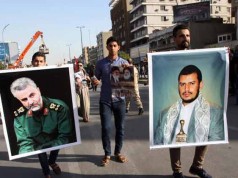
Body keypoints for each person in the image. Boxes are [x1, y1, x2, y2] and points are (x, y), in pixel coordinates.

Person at [160, 24, 214, 178]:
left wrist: (224, 56)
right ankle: (177, 171)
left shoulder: (198, 56)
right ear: (175, 39)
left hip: (196, 103)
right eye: (182, 36)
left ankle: (197, 166)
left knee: (204, 132)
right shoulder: (167, 58)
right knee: (176, 135)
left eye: (188, 35)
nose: (186, 38)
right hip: (176, 102)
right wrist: (151, 62)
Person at [10, 77, 74, 178]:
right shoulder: (19, 117)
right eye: (24, 99)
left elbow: (65, 136)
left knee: (54, 147)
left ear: (38, 91)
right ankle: (46, 173)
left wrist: (48, 145)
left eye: (32, 95)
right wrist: (32, 150)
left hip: (55, 140)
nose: (30, 102)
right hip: (38, 145)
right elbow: (24, 144)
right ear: (19, 101)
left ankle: (52, 162)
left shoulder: (60, 107)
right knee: (40, 150)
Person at [154, 64, 224, 144]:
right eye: (182, 84)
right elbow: (157, 143)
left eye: (191, 83)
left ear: (200, 85)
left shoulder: (215, 113)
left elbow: (215, 146)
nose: (186, 89)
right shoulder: (165, 114)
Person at [93, 36, 129, 166]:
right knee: (106, 128)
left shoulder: (124, 62)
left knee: (120, 128)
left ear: (118, 47)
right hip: (105, 101)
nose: (113, 48)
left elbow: (129, 81)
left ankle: (118, 152)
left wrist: (128, 69)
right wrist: (95, 81)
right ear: (107, 47)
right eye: (110, 45)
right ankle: (107, 153)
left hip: (120, 100)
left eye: (115, 45)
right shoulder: (100, 63)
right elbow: (95, 78)